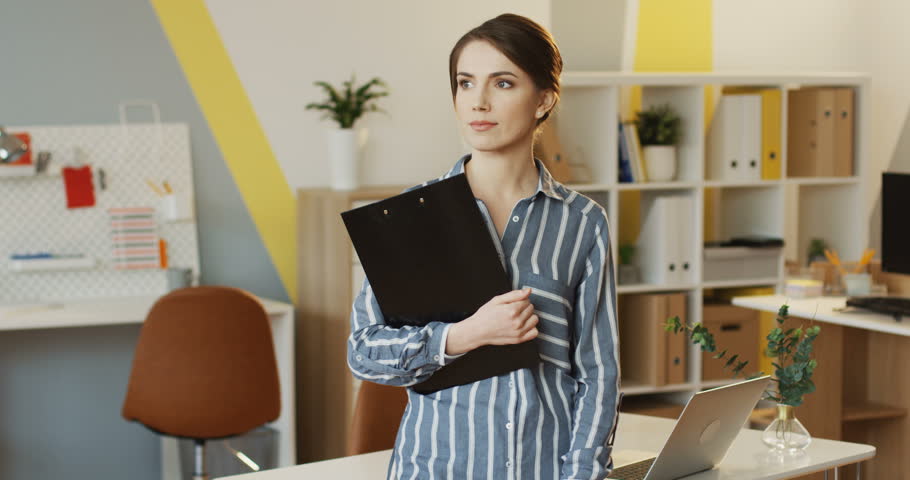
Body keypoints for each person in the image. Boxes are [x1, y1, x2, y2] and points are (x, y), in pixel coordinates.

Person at [347, 13, 620, 480]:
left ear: (544, 99)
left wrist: (583, 474)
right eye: (466, 83)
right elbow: (365, 351)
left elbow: (598, 376)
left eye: (504, 83)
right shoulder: (414, 217)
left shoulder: (582, 223)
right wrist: (465, 334)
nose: (479, 101)